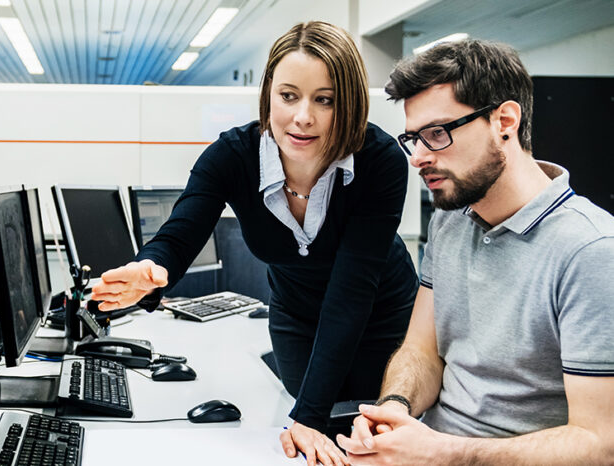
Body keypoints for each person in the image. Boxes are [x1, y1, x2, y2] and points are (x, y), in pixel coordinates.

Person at [91, 21, 418, 466]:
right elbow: (184, 227)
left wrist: (310, 415)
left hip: (382, 314)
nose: (302, 117)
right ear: (268, 95)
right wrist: (153, 268)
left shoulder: (379, 160)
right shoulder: (234, 154)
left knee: (368, 431)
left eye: (325, 100)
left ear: (351, 104)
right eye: (288, 96)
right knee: (305, 427)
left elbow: (353, 289)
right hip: (295, 316)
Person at [336, 39, 614, 465]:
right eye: (414, 138)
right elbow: (421, 351)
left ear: (504, 121)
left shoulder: (591, 251)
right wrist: (393, 409)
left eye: (437, 133)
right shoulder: (450, 220)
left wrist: (444, 453)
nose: (419, 157)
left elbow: (600, 443)